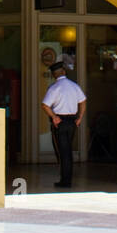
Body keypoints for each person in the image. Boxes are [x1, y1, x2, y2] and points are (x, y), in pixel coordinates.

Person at [41, 60, 86, 189]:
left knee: (62, 152)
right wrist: (80, 118)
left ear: (54, 75)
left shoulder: (54, 88)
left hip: (59, 122)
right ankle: (67, 179)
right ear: (64, 72)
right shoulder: (74, 86)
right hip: (72, 121)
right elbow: (83, 101)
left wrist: (54, 117)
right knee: (68, 151)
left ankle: (65, 180)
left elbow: (45, 105)